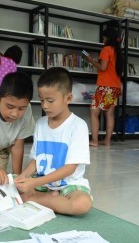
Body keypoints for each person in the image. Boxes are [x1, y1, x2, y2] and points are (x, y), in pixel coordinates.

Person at [15, 67, 92, 215]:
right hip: (43, 184)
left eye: (50, 100)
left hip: (69, 185)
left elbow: (70, 168)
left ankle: (36, 200)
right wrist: (24, 176)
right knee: (10, 186)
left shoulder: (78, 126)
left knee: (82, 204)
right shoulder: (40, 124)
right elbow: (36, 160)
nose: (44, 106)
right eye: (42, 100)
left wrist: (34, 183)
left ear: (68, 98)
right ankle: (48, 199)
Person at [83, 26, 123, 146]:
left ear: (108, 37)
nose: (103, 40)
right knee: (109, 114)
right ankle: (107, 140)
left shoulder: (106, 49)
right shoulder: (117, 51)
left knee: (94, 111)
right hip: (116, 87)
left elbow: (102, 67)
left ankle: (95, 140)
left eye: (104, 37)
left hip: (106, 86)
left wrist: (90, 60)